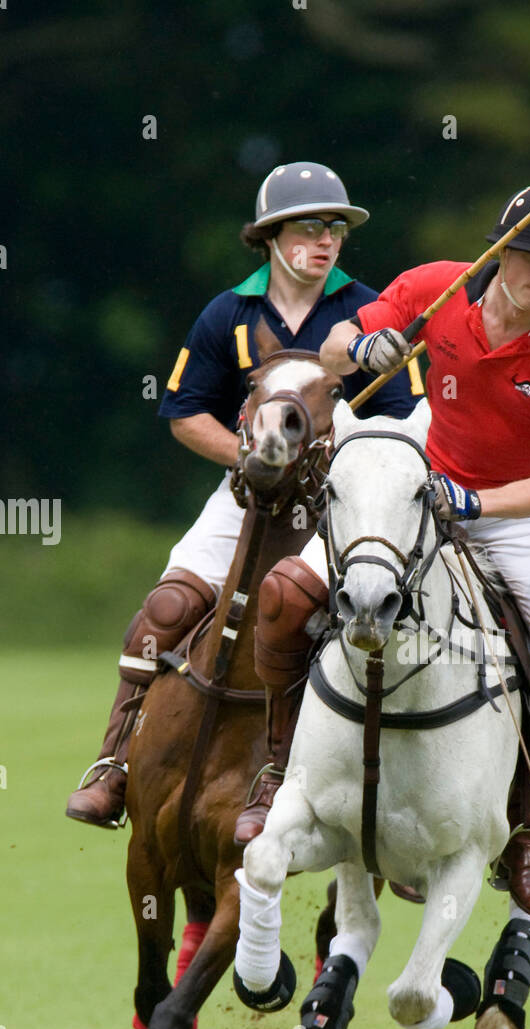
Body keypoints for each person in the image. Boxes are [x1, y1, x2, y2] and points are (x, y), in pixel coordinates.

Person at [255, 184, 530, 918]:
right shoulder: (438, 288)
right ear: (500, 252)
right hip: (424, 485)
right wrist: (360, 346)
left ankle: (523, 830)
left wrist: (472, 503)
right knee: (288, 596)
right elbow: (330, 351)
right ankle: (276, 770)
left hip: (523, 516)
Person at [66, 162, 417, 831]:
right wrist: (253, 458)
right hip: (247, 495)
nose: (326, 240)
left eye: (335, 228)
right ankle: (112, 766)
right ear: (271, 238)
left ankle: (397, 806)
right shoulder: (227, 313)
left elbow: (407, 423)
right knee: (163, 610)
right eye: (310, 227)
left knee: (392, 633)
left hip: (341, 502)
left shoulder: (371, 310)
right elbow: (185, 411)